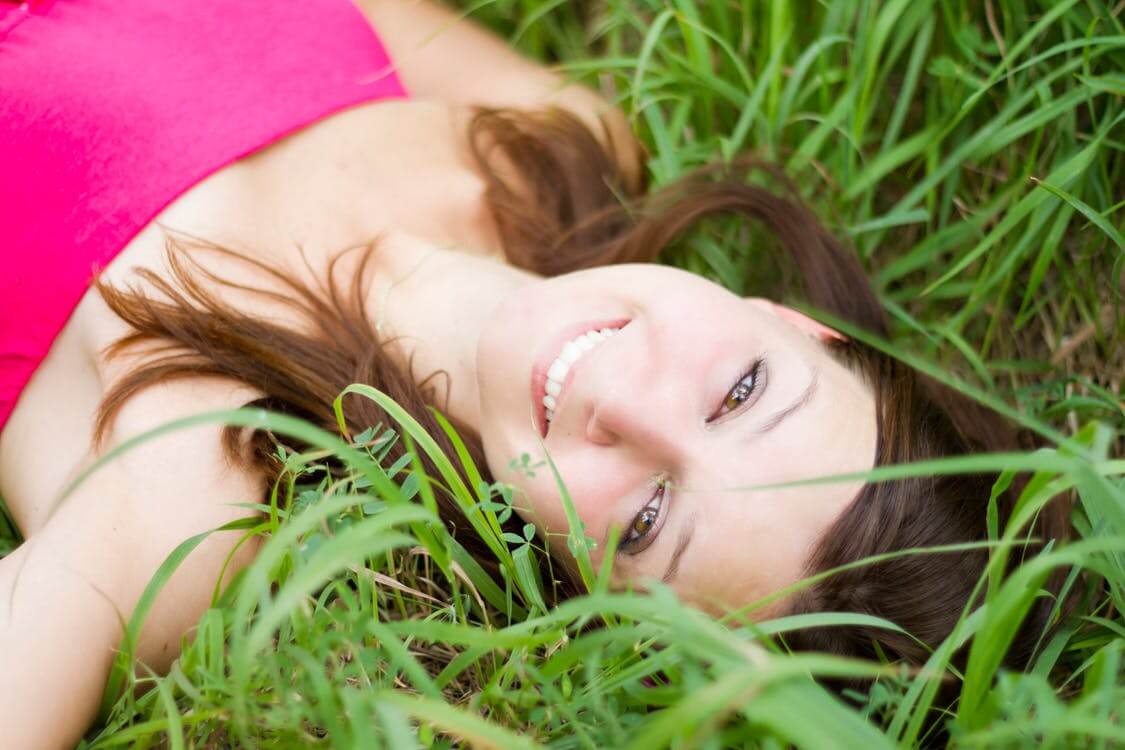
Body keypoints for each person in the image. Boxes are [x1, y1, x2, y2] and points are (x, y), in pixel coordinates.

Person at [0, 0, 1069, 747]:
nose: (626, 403)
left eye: (648, 519)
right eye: (740, 392)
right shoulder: (571, 137)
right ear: (790, 321)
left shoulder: (196, 486)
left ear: (585, 597)